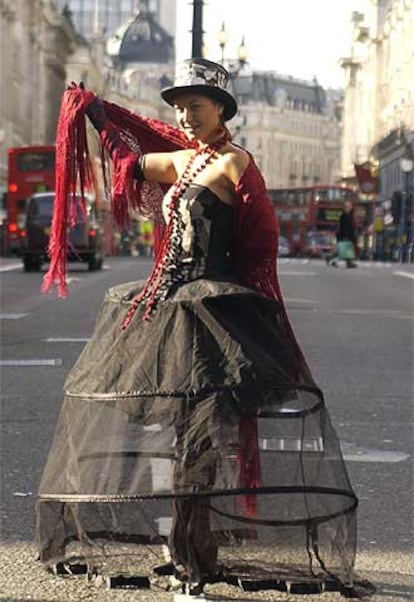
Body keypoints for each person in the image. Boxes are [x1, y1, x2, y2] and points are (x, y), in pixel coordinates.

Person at [36, 59, 369, 597]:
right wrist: (96, 112)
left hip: (214, 310)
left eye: (196, 106)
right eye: (179, 108)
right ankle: (181, 547)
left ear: (221, 111)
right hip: (166, 307)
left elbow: (258, 242)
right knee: (173, 436)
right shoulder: (181, 162)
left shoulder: (236, 164)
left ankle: (196, 557)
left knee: (202, 441)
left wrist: (251, 298)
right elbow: (127, 158)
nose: (186, 116)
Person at [326, 201, 358, 268]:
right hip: (344, 235)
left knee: (344, 249)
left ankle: (330, 258)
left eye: (350, 207)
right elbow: (344, 227)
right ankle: (348, 263)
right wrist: (346, 236)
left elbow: (351, 227)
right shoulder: (343, 216)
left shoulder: (350, 215)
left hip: (349, 235)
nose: (349, 208)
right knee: (345, 249)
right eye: (347, 207)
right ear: (345, 208)